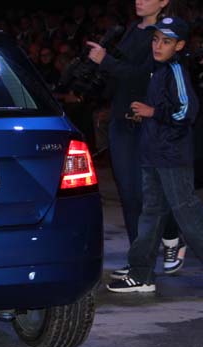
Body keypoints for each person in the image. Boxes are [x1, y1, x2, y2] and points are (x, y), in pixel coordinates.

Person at [86, 0, 187, 278]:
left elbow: (145, 76)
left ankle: (172, 235)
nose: (139, 0)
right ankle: (138, 262)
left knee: (148, 193)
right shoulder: (131, 29)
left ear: (164, 1)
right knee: (129, 195)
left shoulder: (163, 34)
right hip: (122, 120)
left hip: (148, 123)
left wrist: (106, 61)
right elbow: (121, 73)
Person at [107, 17, 201, 293]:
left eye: (166, 41)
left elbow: (187, 111)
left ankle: (141, 272)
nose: (158, 46)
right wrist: (148, 116)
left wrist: (153, 113)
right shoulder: (159, 70)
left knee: (189, 217)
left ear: (179, 46)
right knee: (150, 216)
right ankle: (141, 274)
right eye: (156, 39)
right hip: (153, 155)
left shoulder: (175, 70)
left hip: (172, 157)